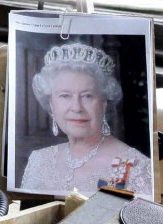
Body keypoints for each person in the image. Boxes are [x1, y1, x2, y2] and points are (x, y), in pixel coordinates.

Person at [20, 42, 151, 195]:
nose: (76, 107)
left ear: (103, 102)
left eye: (87, 96)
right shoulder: (39, 160)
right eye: (65, 96)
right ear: (51, 103)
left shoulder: (129, 166)